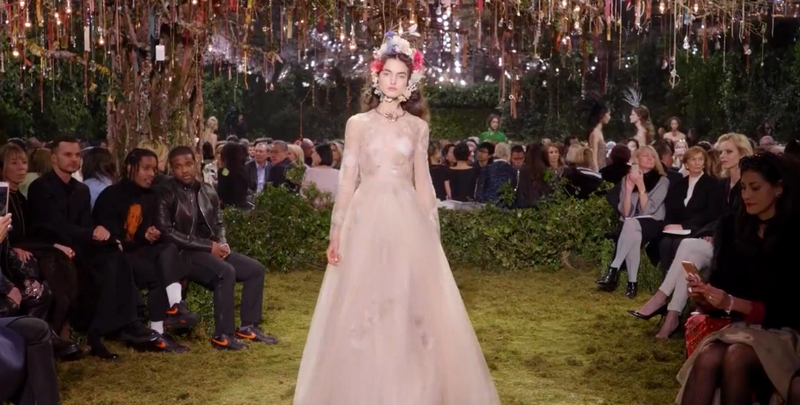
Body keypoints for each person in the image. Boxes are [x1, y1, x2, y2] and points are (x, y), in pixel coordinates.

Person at [293, 31, 500, 405]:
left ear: (410, 82)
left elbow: (424, 184)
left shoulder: (418, 128)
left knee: (408, 299)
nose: (393, 81)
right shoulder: (357, 123)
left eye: (400, 75)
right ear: (377, 76)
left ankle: (414, 383)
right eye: (387, 73)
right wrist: (336, 232)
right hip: (365, 216)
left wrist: (432, 234)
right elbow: (347, 180)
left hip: (407, 217)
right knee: (363, 300)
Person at [155, 146, 276, 351]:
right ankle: (223, 336)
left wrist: (222, 242)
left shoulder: (208, 190)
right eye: (178, 166)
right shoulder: (166, 193)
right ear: (171, 169)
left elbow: (218, 222)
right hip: (182, 253)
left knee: (255, 270)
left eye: (188, 164)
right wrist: (208, 246)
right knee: (225, 272)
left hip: (208, 248)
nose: (184, 170)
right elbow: (166, 232)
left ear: (196, 163)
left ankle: (248, 327)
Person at [92, 149, 200, 353]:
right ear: (130, 168)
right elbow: (112, 240)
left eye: (154, 170)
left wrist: (149, 234)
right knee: (155, 272)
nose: (151, 174)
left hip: (139, 251)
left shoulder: (152, 195)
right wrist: (140, 237)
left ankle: (174, 310)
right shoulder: (111, 196)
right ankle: (159, 330)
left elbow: (146, 234)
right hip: (116, 258)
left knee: (167, 249)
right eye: (146, 169)